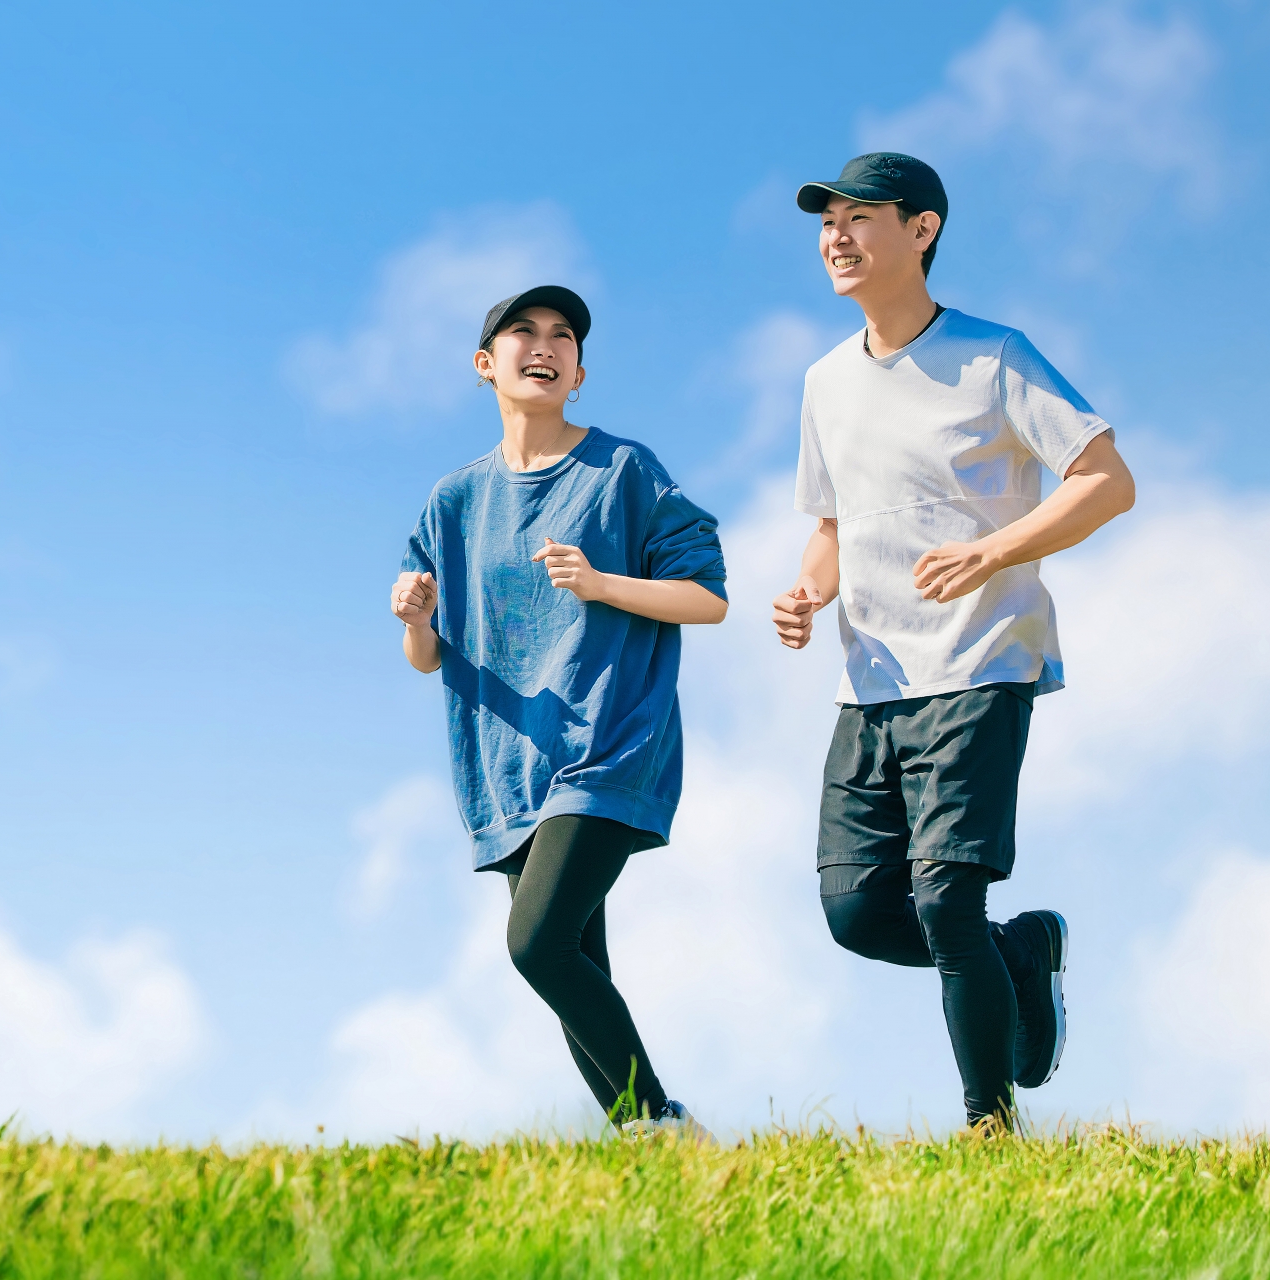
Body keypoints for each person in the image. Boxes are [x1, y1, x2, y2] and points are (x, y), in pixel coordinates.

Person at [771, 153, 1136, 1129]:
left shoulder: (994, 355)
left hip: (980, 665)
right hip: (872, 684)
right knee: (857, 912)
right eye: (826, 223)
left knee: (943, 897)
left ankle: (988, 1120)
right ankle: (1016, 954)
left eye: (859, 218)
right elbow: (835, 527)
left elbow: (1106, 479)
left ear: (921, 229)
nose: (835, 238)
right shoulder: (823, 382)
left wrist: (992, 551)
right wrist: (807, 594)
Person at [390, 285, 727, 1137]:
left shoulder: (624, 472)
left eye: (563, 337)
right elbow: (427, 659)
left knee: (536, 945)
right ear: (485, 365)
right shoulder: (452, 502)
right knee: (578, 963)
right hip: (508, 765)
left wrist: (602, 583)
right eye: (524, 332)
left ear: (578, 371)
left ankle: (662, 1123)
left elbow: (708, 598)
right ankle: (652, 1154)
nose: (545, 345)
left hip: (610, 746)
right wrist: (417, 620)